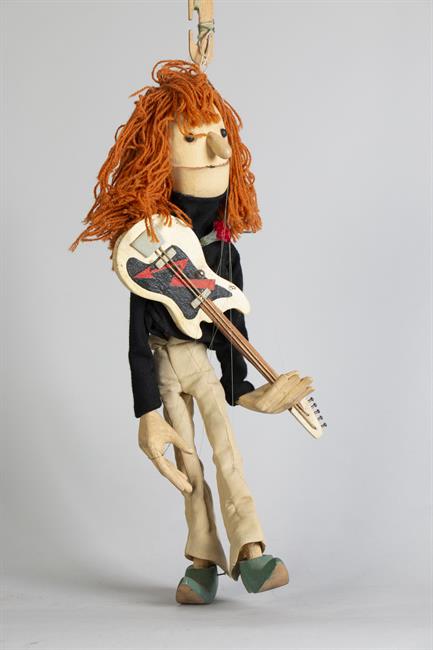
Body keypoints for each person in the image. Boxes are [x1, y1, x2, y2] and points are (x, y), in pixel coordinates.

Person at [71, 60, 314, 604]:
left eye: (221, 135)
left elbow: (233, 330)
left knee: (227, 452)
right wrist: (146, 412)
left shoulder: (224, 251)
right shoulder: (150, 248)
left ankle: (251, 550)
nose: (220, 151)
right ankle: (202, 561)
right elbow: (137, 338)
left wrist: (244, 390)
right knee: (189, 465)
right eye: (192, 138)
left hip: (201, 364)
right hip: (163, 365)